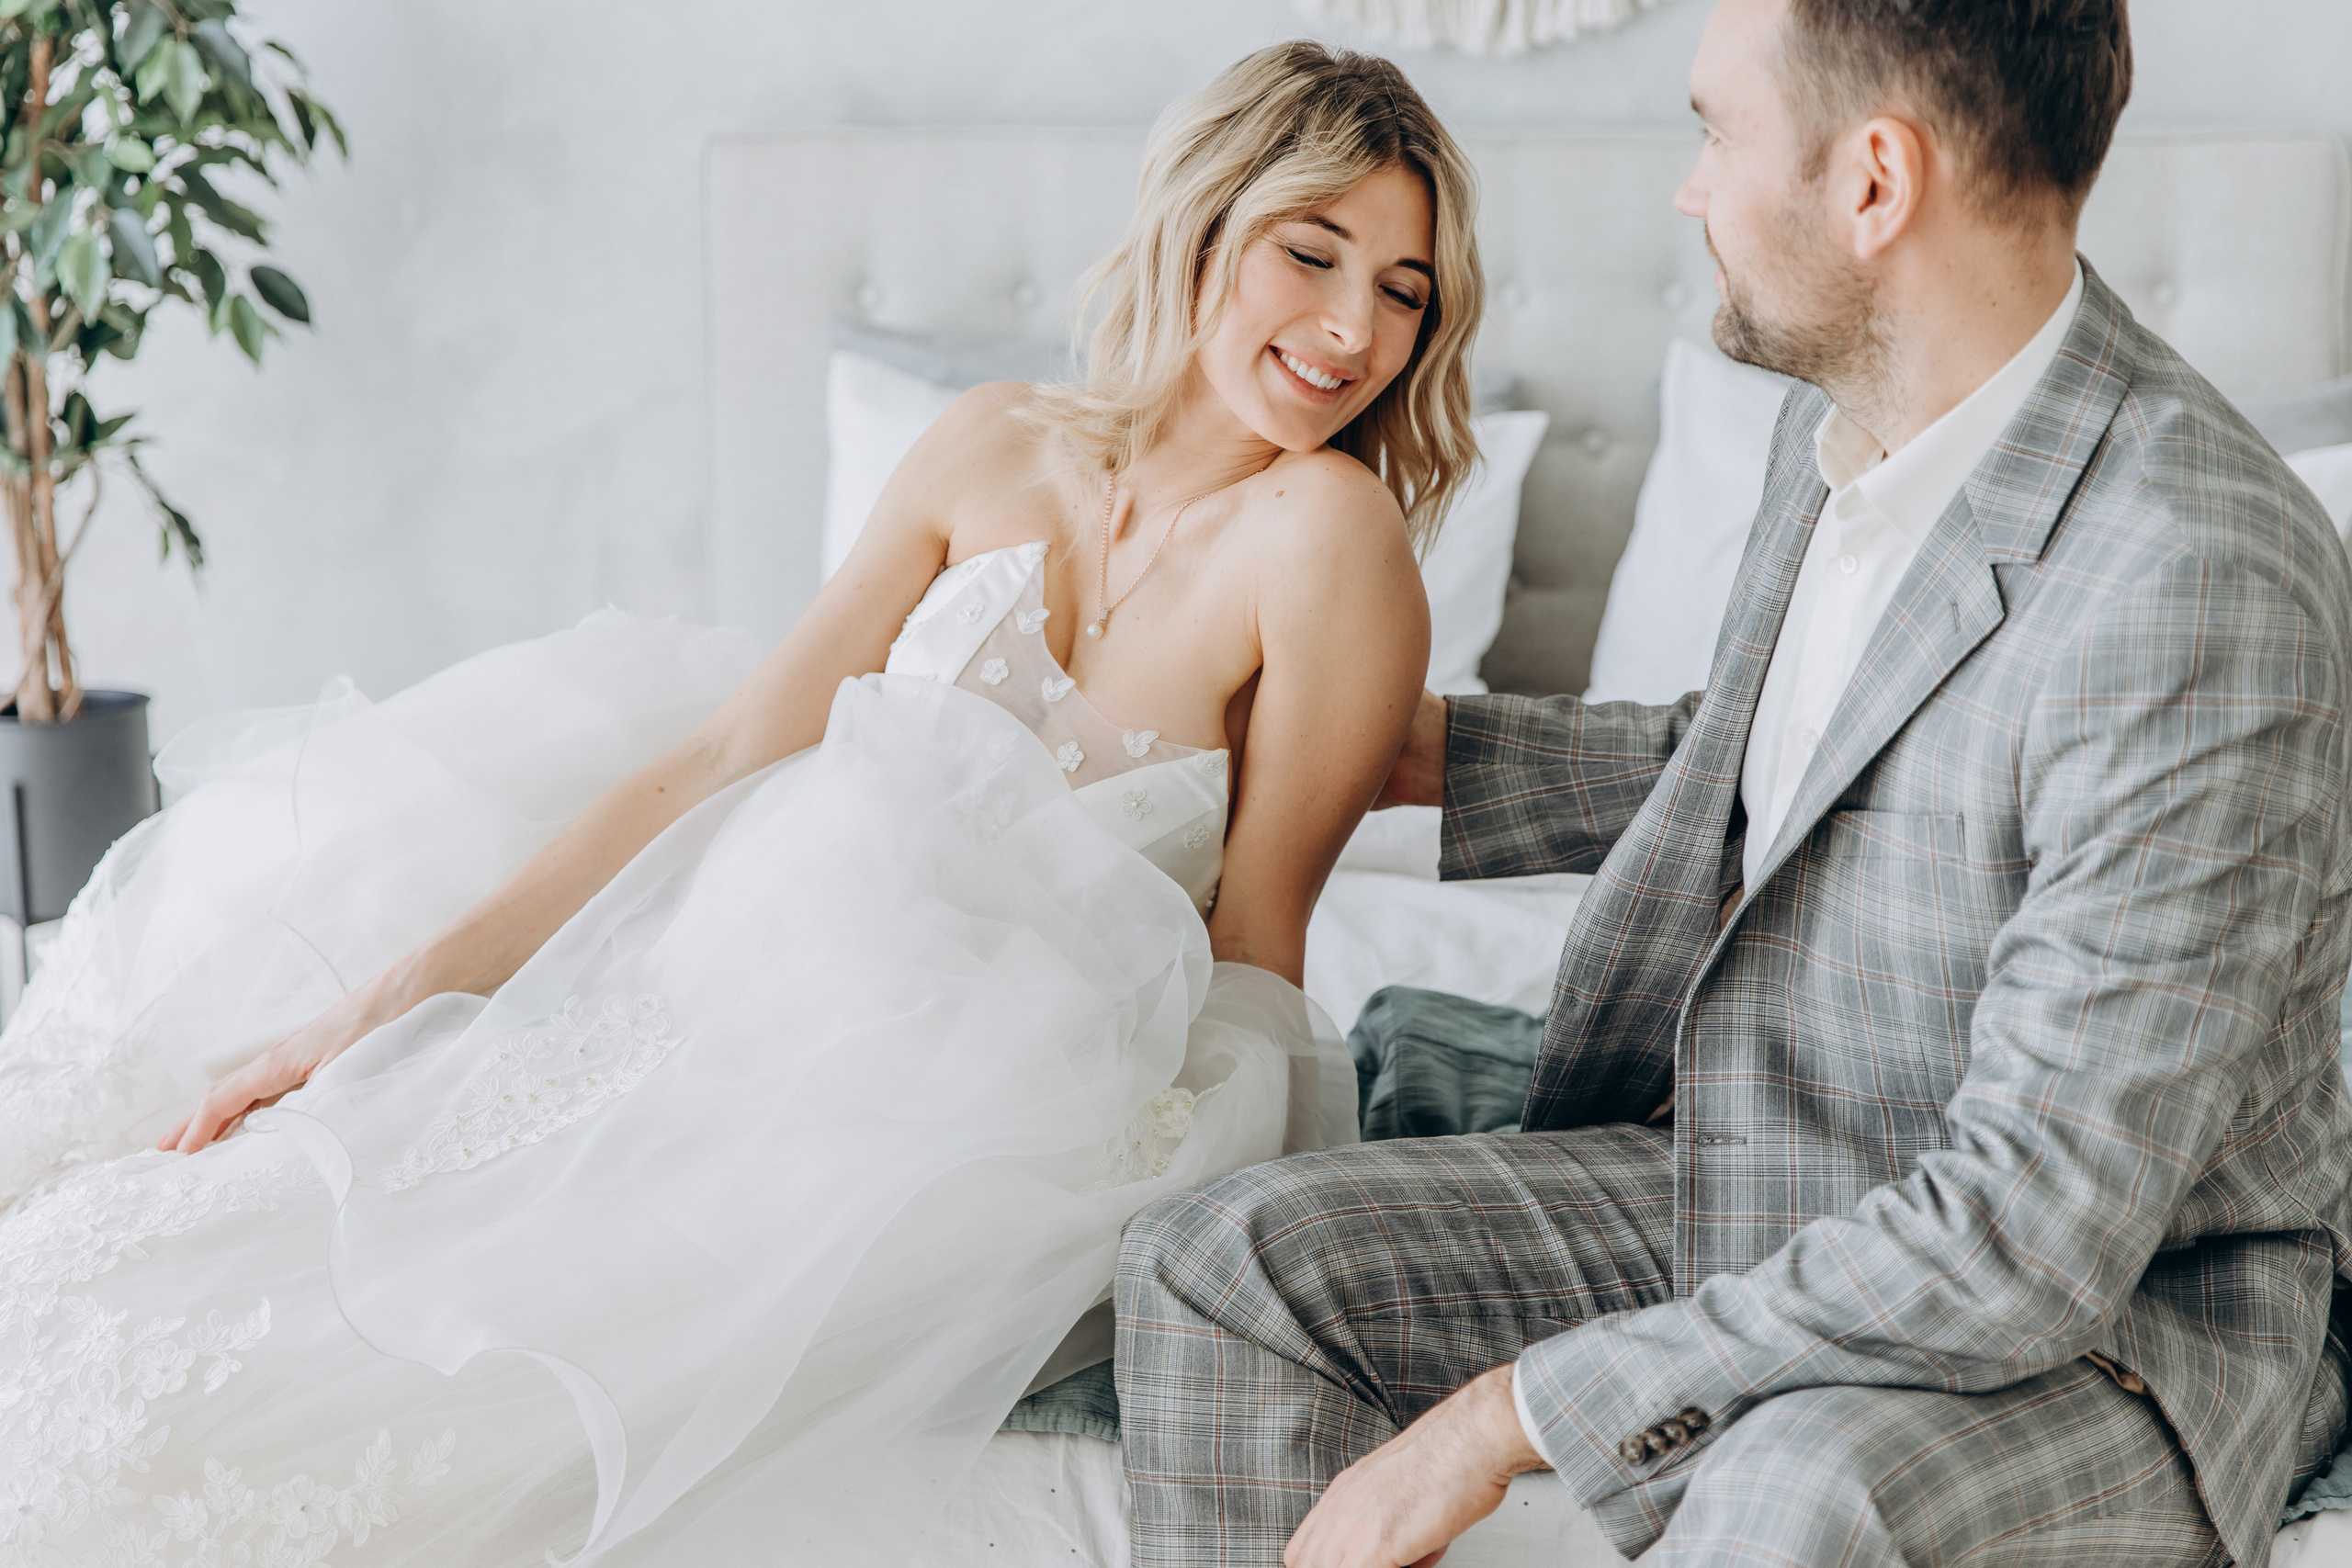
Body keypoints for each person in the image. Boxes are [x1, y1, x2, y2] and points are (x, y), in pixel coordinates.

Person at [0, 41, 1486, 1565]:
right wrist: (380, 1009)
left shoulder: (1331, 540)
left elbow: (1259, 940)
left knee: (489, 1361)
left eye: (1404, 291)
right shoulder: (993, 441)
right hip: (725, 980)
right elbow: (730, 761)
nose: (1353, 328)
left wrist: (1209, 1252)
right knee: (237, 1224)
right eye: (1313, 254)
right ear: (1205, 222)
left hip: (981, 1106)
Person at [1114, 3, 2352, 1566]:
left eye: (1717, 131)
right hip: (1762, 1164)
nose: (1689, 193)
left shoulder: (2192, 578)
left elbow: (2028, 1234)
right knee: (1222, 1259)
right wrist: (1392, 746)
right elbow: (1798, 770)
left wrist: (1509, 1415)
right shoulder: (1841, 429)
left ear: (1874, 184)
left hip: (2108, 1320)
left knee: (1796, 1490)